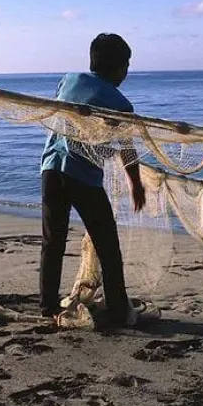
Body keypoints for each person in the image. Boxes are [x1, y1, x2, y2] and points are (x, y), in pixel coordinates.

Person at [39, 33, 145, 326]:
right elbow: (126, 145)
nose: (126, 72)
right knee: (107, 246)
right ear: (118, 66)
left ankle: (47, 305)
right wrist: (135, 183)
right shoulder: (121, 103)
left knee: (53, 240)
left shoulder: (70, 79)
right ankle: (118, 309)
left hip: (50, 169)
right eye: (126, 65)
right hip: (83, 177)